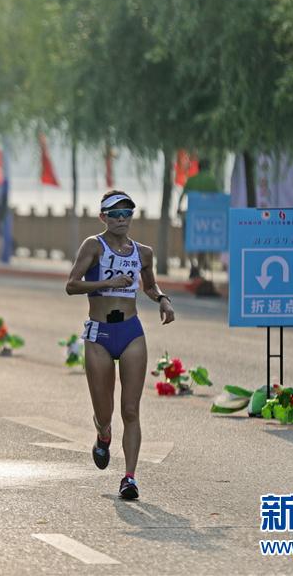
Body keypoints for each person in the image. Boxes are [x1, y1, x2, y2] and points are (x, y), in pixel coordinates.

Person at [66, 190, 176, 500]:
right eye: (115, 214)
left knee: (130, 409)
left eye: (127, 213)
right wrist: (106, 283)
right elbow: (71, 285)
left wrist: (163, 299)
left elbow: (150, 286)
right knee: (105, 413)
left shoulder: (143, 253)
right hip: (99, 334)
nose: (121, 219)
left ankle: (130, 478)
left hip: (131, 332)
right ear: (103, 217)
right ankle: (103, 434)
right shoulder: (93, 246)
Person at [176, 156, 221, 280]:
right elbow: (217, 198)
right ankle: (200, 267)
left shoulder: (192, 179)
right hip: (206, 218)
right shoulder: (212, 181)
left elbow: (183, 196)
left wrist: (178, 208)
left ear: (199, 168)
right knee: (203, 242)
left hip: (191, 216)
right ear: (209, 167)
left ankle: (193, 264)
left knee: (189, 240)